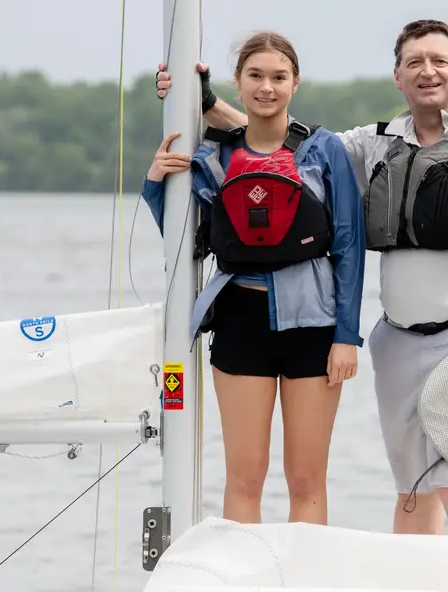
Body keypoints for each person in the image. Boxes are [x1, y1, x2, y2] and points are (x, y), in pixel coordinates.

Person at [155, 19, 448, 539]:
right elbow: (275, 142)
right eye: (414, 62)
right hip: (400, 339)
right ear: (397, 76)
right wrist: (202, 100)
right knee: (412, 490)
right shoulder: (370, 144)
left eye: (439, 61)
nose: (427, 71)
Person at [144, 30, 365, 526]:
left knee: (306, 478)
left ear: (296, 83)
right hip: (240, 322)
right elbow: (183, 241)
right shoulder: (212, 156)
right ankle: (244, 589)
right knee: (245, 477)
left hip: (314, 326)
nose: (267, 87)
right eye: (256, 76)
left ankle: (300, 589)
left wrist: (346, 337)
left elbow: (349, 246)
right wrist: (155, 182)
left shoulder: (323, 151)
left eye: (279, 77)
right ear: (238, 84)